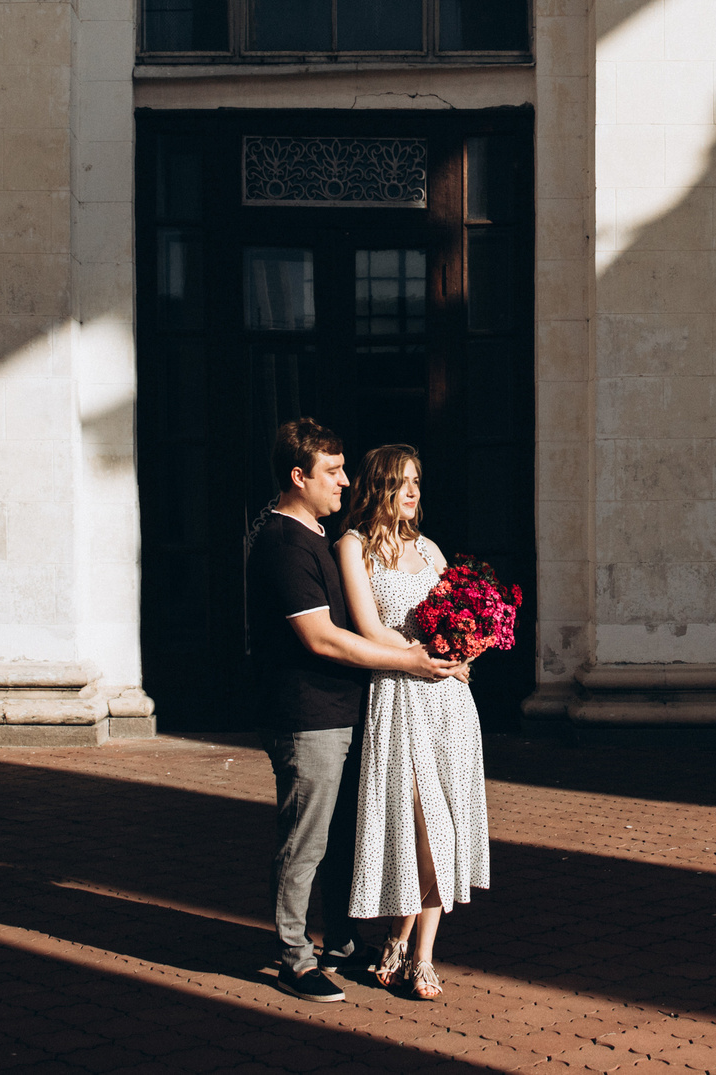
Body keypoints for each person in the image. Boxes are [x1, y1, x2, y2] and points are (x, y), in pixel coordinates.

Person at [247, 417, 457, 1003]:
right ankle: (293, 956)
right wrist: (413, 661)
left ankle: (338, 942)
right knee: (306, 839)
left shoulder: (314, 533)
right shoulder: (285, 543)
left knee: (343, 835)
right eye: (333, 472)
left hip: (348, 707)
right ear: (299, 476)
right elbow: (323, 638)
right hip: (306, 713)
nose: (345, 482)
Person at [335, 444, 491, 1001]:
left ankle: (417, 954)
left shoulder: (430, 549)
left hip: (448, 701)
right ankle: (401, 943)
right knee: (420, 824)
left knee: (444, 826)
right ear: (377, 487)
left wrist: (467, 649)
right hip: (400, 694)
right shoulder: (352, 547)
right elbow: (368, 628)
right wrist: (423, 655)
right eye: (401, 482)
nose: (412, 492)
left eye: (417, 482)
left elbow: (462, 614)